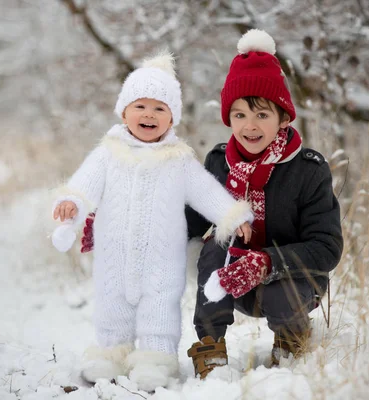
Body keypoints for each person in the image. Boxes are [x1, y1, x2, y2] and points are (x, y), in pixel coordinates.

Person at [50, 50, 253, 391]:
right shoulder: (108, 152)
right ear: (124, 111)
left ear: (171, 118)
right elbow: (84, 184)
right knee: (112, 304)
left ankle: (157, 359)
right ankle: (110, 353)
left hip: (161, 258)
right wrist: (71, 202)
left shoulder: (179, 159)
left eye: (160, 108)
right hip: (115, 254)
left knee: (160, 307)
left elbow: (207, 192)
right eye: (140, 106)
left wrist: (233, 216)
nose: (149, 114)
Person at [185, 29, 343, 379]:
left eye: (261, 115)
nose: (249, 126)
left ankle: (291, 341)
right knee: (215, 246)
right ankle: (210, 348)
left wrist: (268, 262)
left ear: (283, 118)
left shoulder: (308, 170)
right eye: (239, 115)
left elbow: (327, 246)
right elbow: (190, 223)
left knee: (282, 295)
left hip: (291, 281)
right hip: (231, 280)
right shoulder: (218, 162)